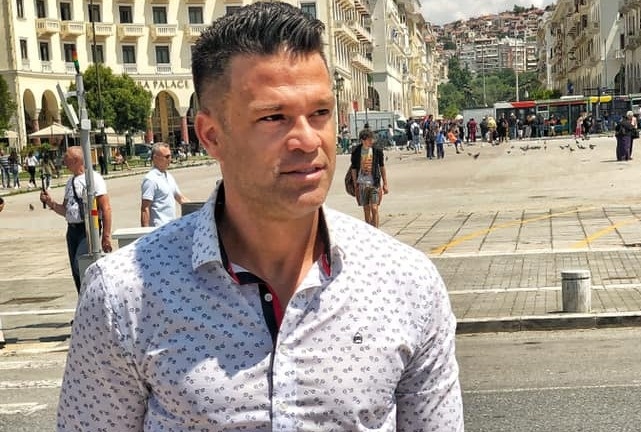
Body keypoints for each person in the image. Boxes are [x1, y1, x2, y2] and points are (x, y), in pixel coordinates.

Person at [56, 3, 463, 431]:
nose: (308, 140)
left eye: (320, 113)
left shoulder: (405, 284)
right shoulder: (125, 297)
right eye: (274, 118)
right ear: (211, 135)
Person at [39, 146, 113, 293]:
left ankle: (93, 296)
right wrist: (50, 203)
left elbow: (106, 208)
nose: (64, 161)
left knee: (81, 265)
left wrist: (106, 235)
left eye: (66, 158)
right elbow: (65, 210)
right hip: (72, 231)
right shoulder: (70, 182)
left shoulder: (93, 178)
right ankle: (82, 300)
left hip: (87, 229)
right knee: (75, 271)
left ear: (76, 160)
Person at [140, 142, 190, 227]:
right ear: (155, 158)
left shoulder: (169, 176)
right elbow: (145, 208)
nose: (170, 159)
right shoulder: (151, 179)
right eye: (167, 156)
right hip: (158, 228)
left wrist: (200, 208)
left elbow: (180, 198)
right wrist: (145, 232)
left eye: (170, 156)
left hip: (171, 227)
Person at [351, 128, 388, 227]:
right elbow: (354, 168)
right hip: (362, 184)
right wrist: (355, 184)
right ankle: (369, 230)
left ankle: (376, 231)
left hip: (374, 183)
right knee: (366, 209)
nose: (372, 141)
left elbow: (382, 167)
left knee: (374, 208)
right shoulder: (356, 151)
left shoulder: (377, 150)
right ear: (363, 140)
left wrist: (385, 183)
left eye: (372, 139)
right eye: (369, 139)